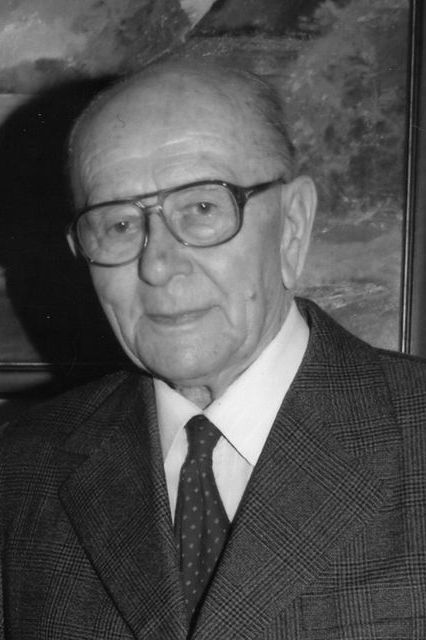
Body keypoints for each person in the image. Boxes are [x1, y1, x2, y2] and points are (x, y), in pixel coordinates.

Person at [1, 57, 426, 640]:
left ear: (292, 226)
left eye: (202, 208)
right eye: (119, 225)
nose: (157, 265)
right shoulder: (22, 470)